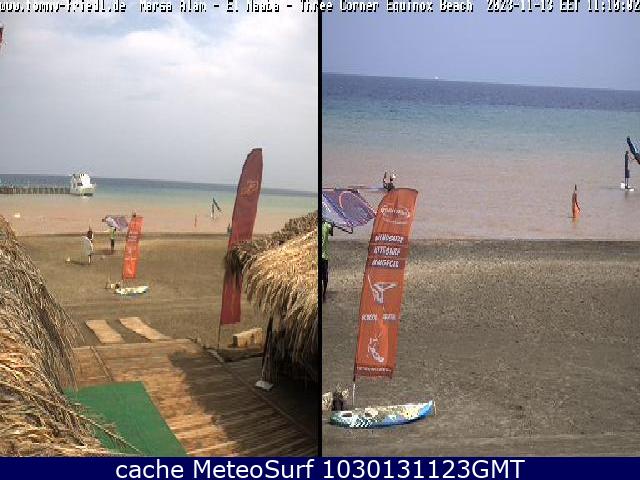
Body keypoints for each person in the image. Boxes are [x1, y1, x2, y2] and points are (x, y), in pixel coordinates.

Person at [321, 220, 333, 303]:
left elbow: (331, 233)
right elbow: (331, 233)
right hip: (323, 257)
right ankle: (323, 294)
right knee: (324, 276)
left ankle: (324, 294)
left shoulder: (326, 225)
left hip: (324, 256)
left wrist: (332, 226)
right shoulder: (326, 225)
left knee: (324, 277)